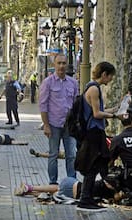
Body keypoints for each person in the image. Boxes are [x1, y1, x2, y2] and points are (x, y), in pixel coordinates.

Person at [74, 61, 119, 212]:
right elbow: (96, 114)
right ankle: (85, 198)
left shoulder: (93, 87)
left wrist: (113, 109)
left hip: (95, 131)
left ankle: (91, 196)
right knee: (93, 166)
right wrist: (113, 115)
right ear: (104, 74)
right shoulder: (94, 89)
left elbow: (99, 109)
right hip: (93, 132)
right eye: (110, 76)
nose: (111, 79)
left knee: (99, 164)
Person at [39, 54, 79, 185]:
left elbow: (76, 104)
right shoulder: (47, 82)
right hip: (54, 124)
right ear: (54, 65)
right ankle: (53, 182)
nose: (61, 66)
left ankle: (72, 182)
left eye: (64, 63)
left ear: (67, 65)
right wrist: (46, 125)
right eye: (59, 63)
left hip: (69, 126)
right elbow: (43, 105)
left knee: (71, 155)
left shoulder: (73, 83)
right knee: (53, 154)